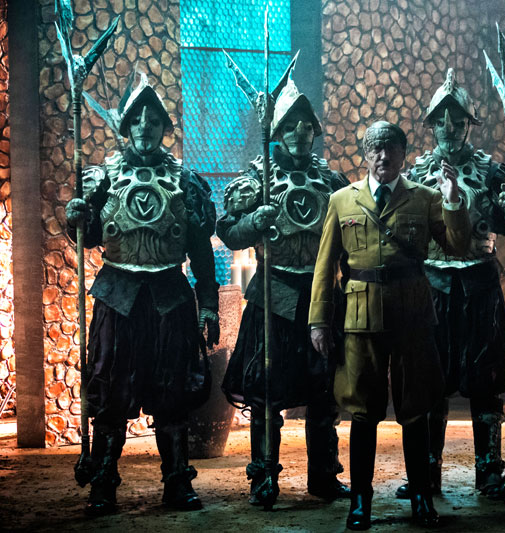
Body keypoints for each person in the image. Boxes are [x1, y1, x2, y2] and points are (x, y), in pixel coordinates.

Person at [65, 76, 220, 514]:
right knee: (111, 393)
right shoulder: (103, 178)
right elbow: (90, 236)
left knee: (172, 392)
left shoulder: (185, 181)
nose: (146, 126)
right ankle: (102, 482)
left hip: (170, 299)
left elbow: (200, 249)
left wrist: (209, 304)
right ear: (127, 126)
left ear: (164, 127)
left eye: (154, 120)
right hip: (118, 299)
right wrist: (76, 218)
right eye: (138, 119)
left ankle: (177, 481)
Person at [308, 121, 471, 530]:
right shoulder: (342, 200)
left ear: (403, 153)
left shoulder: (425, 198)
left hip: (412, 314)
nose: (383, 156)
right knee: (363, 411)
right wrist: (318, 321)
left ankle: (421, 497)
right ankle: (360, 501)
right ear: (365, 155)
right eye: (375, 149)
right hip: (360, 317)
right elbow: (325, 266)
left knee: (415, 408)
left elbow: (458, 246)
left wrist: (453, 200)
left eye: (391, 148)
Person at [399, 69, 505, 499]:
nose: (449, 128)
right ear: (431, 124)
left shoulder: (492, 171)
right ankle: (426, 472)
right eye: (442, 121)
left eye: (457, 121)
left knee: (487, 379)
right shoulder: (415, 174)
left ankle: (489, 470)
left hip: (479, 284)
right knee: (428, 381)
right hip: (431, 285)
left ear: (468, 124)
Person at [217, 79, 350, 508]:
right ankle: (263, 477)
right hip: (272, 297)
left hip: (321, 297)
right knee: (266, 392)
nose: (298, 132)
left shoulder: (331, 181)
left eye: (305, 125)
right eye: (290, 125)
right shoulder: (257, 177)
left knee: (323, 391)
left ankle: (323, 476)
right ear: (277, 131)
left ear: (314, 130)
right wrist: (254, 221)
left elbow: (350, 240)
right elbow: (229, 231)